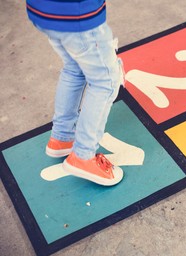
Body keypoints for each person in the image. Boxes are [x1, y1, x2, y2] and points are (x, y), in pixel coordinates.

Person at [26, 0, 124, 186]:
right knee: (106, 82)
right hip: (77, 15)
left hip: (43, 11)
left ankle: (62, 138)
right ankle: (83, 156)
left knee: (74, 68)